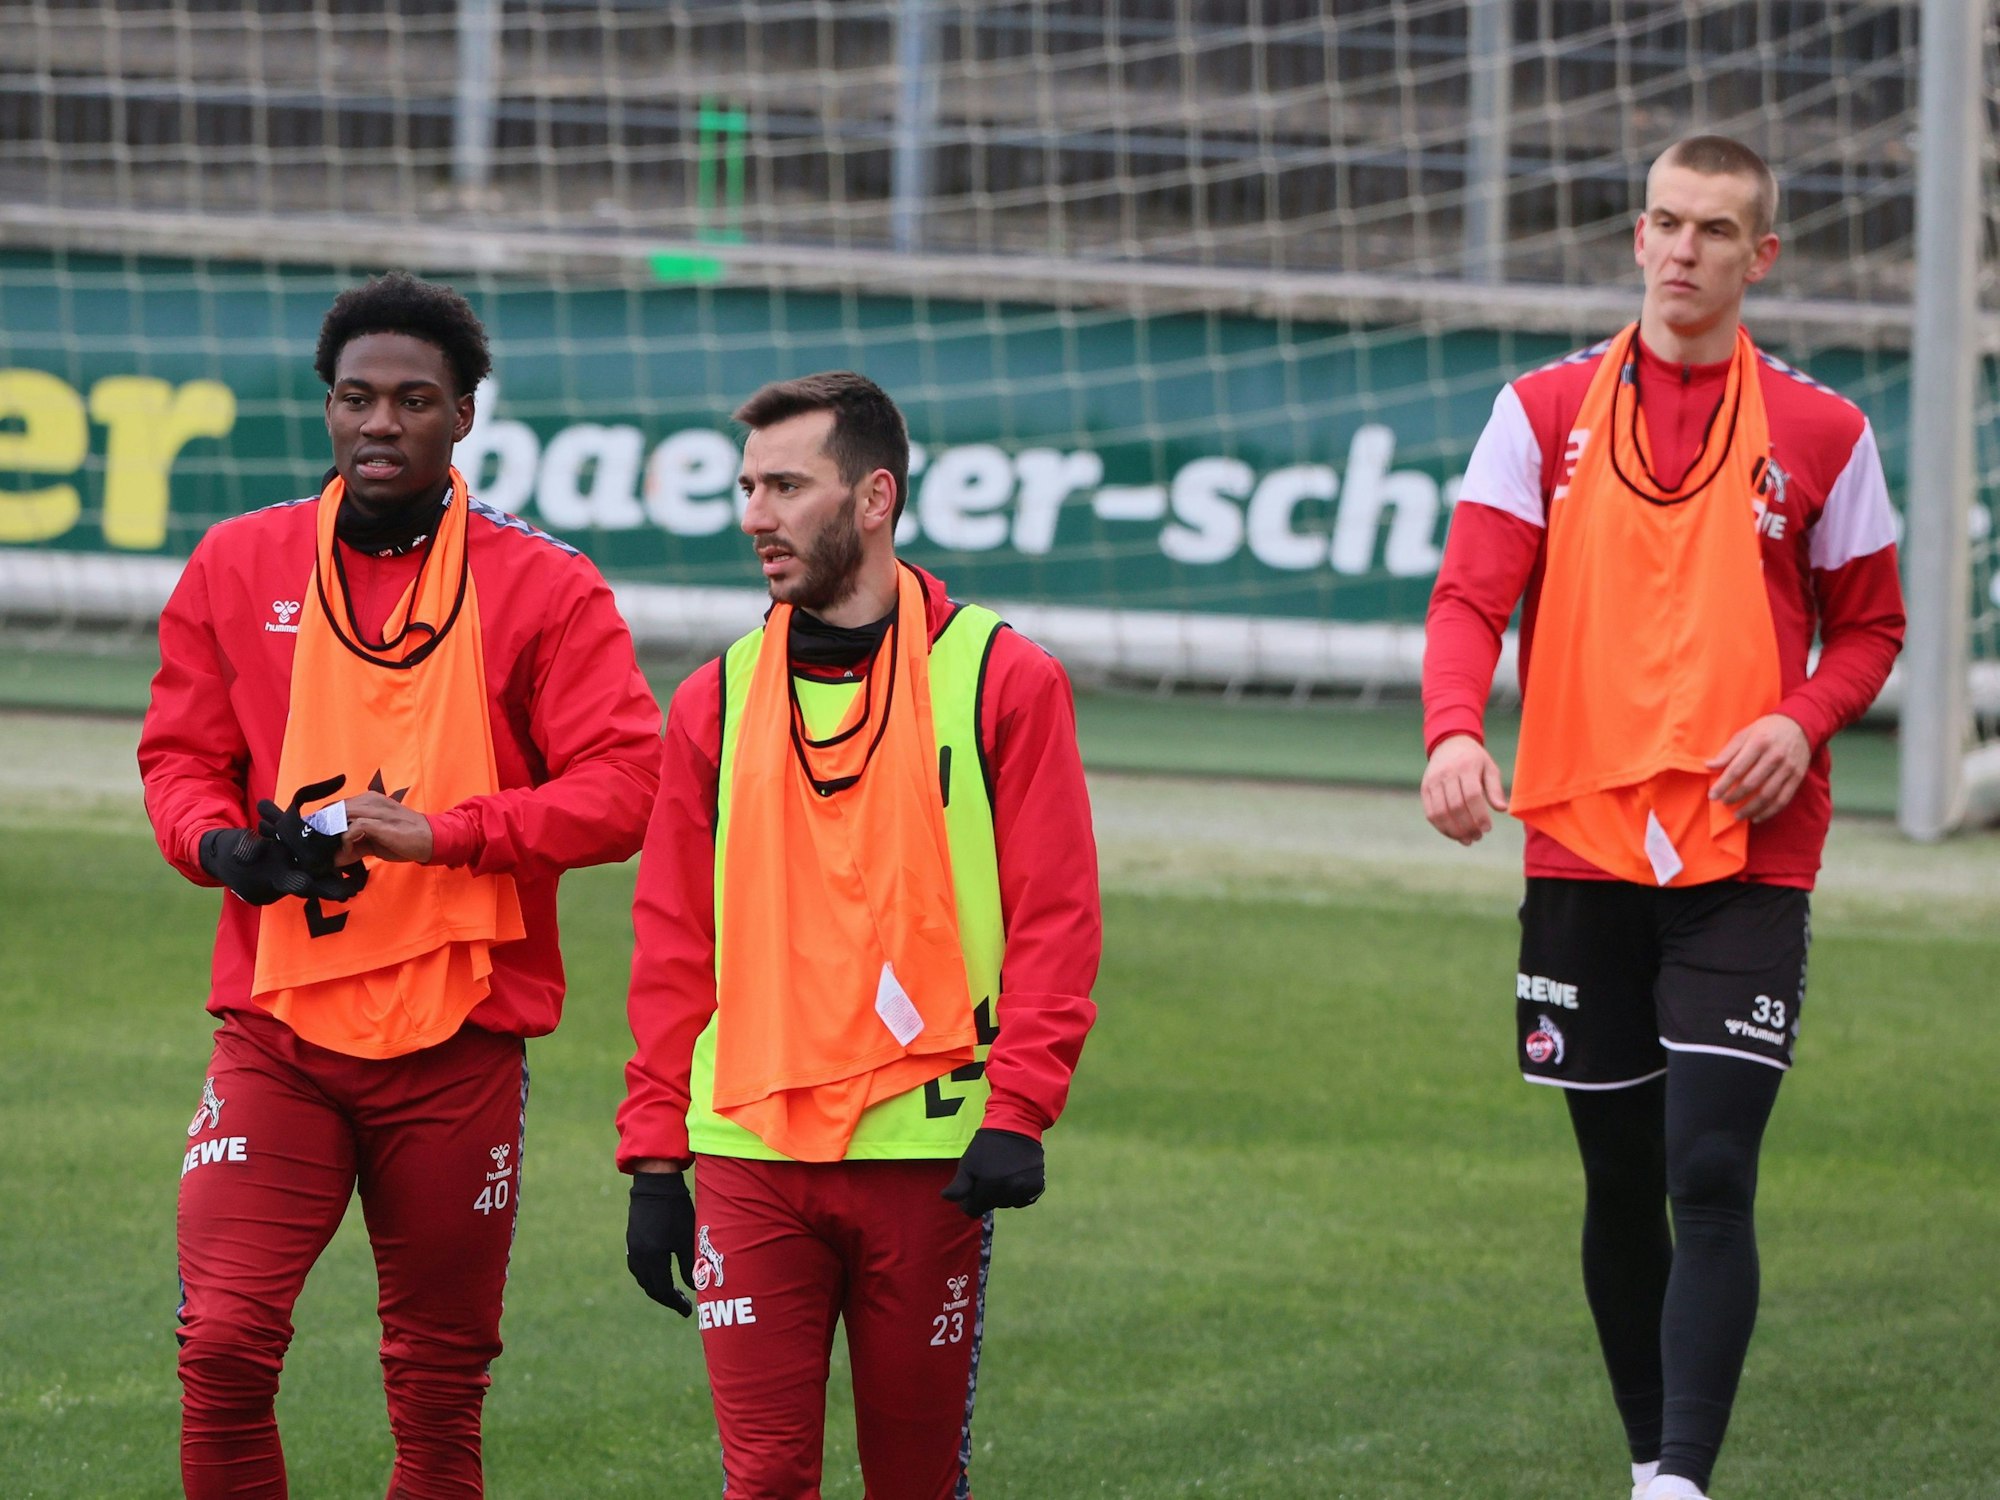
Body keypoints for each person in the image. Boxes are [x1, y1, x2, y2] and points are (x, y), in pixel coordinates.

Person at [1420, 136, 1904, 1500]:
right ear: (1638, 237)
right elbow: (1469, 598)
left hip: (1751, 851)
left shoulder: (1826, 432)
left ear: (1763, 257)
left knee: (1709, 1164)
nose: (1684, 250)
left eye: (1716, 230)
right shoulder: (1541, 410)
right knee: (1621, 1174)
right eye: (1666, 223)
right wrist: (1455, 731)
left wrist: (1796, 722)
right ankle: (1651, 1460)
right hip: (1578, 837)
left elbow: (1871, 627)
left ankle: (1679, 1482)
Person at [139, 271, 661, 1498]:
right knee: (220, 1343)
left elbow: (627, 787)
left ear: (464, 416)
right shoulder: (236, 561)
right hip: (277, 1028)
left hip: (459, 1038)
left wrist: (447, 834)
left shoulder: (547, 587)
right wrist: (224, 849)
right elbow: (179, 760)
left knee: (435, 1387)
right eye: (356, 399)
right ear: (327, 410)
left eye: (413, 401)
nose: (381, 423)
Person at [617, 371, 1100, 1499]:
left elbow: (1056, 918)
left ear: (874, 497)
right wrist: (651, 1154)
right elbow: (672, 942)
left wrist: (1020, 1106)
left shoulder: (1000, 679)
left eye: (786, 485)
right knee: (764, 1482)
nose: (754, 516)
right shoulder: (713, 699)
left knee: (914, 1483)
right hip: (747, 1155)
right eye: (746, 487)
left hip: (928, 1162)